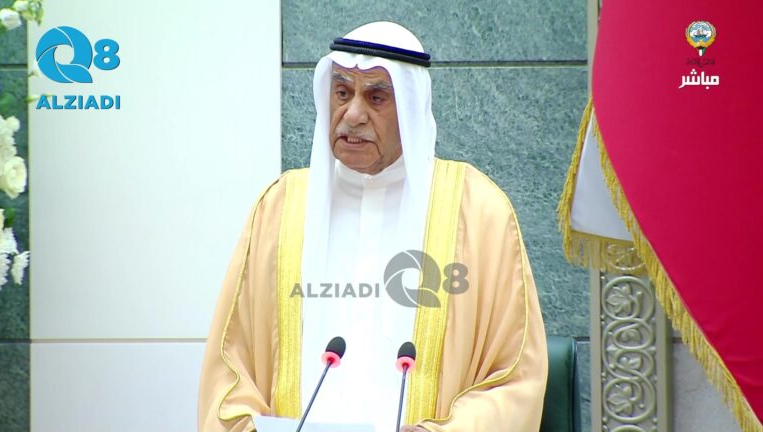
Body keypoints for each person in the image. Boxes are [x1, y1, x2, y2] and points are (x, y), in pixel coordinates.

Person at [199, 21, 548, 432]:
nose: (352, 114)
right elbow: (230, 369)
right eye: (342, 93)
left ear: (411, 108)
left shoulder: (478, 213)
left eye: (376, 97)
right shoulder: (280, 207)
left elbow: (515, 377)